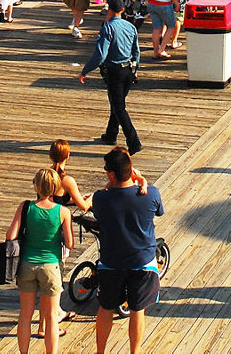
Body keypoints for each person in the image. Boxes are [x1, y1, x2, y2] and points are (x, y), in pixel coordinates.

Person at [90, 146, 164, 354]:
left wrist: (110, 184)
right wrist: (142, 181)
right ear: (131, 170)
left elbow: (103, 198)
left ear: (111, 173)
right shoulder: (151, 194)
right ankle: (135, 351)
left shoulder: (100, 199)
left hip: (112, 262)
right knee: (137, 309)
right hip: (143, 260)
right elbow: (159, 210)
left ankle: (101, 351)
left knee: (105, 307)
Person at [6, 168, 74, 354]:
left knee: (25, 315)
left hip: (27, 265)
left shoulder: (25, 207)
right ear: (55, 188)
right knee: (52, 317)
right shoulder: (63, 211)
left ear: (36, 185)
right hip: (51, 266)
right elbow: (70, 243)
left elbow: (10, 235)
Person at [79, 0, 143, 155]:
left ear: (110, 11)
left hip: (114, 71)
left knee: (119, 107)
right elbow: (136, 52)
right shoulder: (130, 27)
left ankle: (134, 141)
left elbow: (100, 55)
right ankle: (111, 134)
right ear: (121, 10)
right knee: (116, 102)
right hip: (128, 70)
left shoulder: (108, 28)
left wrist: (85, 70)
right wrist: (135, 70)